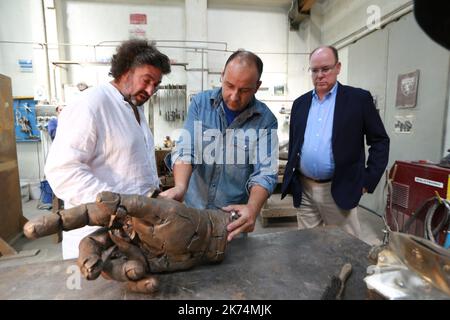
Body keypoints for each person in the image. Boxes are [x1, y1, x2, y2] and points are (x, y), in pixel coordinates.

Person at [44, 39, 171, 259]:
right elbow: (62, 171)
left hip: (133, 231)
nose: (151, 90)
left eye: (156, 84)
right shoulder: (91, 104)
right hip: (96, 234)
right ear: (126, 71)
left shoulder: (134, 108)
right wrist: (117, 207)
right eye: (147, 80)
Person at [160, 50, 278, 241]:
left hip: (230, 223)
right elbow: (186, 148)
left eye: (244, 90)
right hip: (191, 215)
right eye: (229, 85)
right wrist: (180, 187)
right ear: (221, 76)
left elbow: (265, 173)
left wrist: (252, 208)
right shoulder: (200, 103)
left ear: (257, 87)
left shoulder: (265, 120)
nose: (233, 96)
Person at [281, 45, 389, 238]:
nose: (320, 75)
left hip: (339, 188)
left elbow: (380, 141)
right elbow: (295, 144)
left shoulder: (358, 100)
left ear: (338, 68)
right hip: (304, 188)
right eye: (315, 70)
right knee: (306, 245)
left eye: (325, 69)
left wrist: (367, 180)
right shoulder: (300, 104)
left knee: (344, 245)